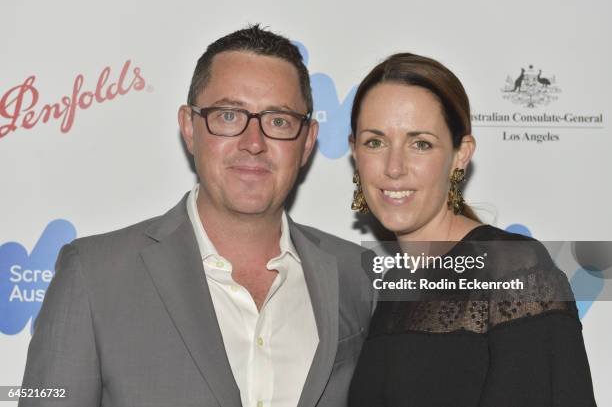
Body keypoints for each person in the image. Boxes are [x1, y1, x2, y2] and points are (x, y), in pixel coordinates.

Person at [19, 25, 374, 407]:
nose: (253, 142)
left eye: (278, 121)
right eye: (228, 115)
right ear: (190, 128)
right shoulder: (94, 276)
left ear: (307, 142)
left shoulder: (356, 276)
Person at [347, 53, 597, 407]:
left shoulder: (513, 269)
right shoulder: (389, 291)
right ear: (354, 152)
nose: (394, 167)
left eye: (420, 143)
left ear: (460, 154)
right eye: (375, 142)